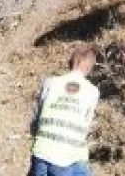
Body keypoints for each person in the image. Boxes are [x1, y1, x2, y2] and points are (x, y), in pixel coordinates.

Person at [29, 46, 100, 176]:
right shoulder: (92, 91)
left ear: (72, 62)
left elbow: (35, 120)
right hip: (66, 158)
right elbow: (86, 126)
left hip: (40, 153)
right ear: (88, 67)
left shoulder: (50, 83)